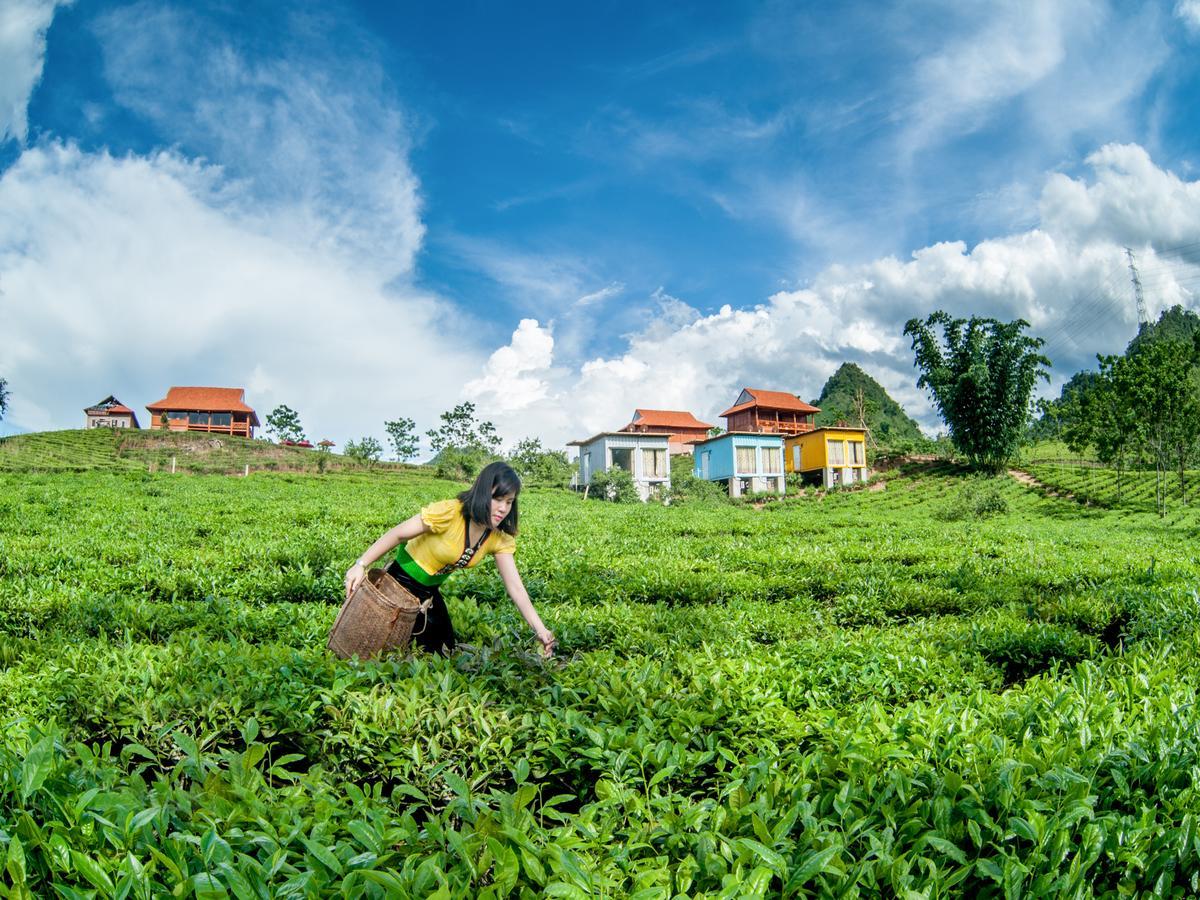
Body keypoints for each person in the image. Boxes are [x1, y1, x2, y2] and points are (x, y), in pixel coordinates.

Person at [344, 461, 556, 658]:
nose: (503, 508)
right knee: (374, 650)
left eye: (509, 502)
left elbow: (516, 588)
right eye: (497, 499)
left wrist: (540, 629)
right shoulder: (450, 512)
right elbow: (398, 534)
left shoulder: (497, 538)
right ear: (483, 493)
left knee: (444, 652)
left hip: (428, 594)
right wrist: (360, 564)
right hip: (397, 584)